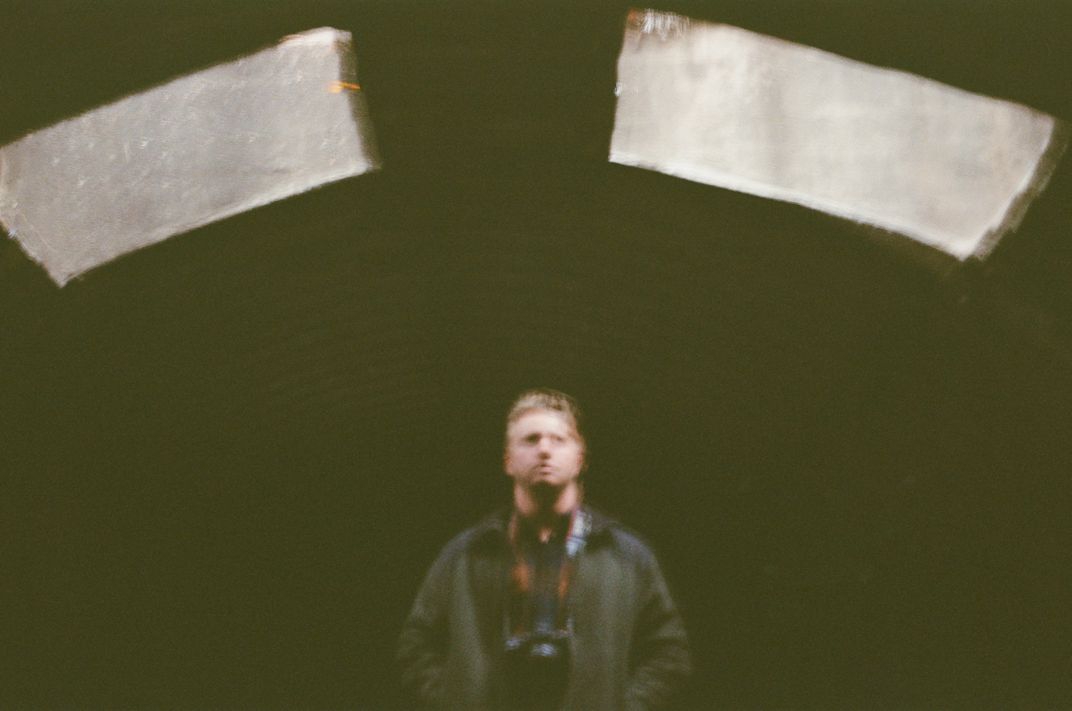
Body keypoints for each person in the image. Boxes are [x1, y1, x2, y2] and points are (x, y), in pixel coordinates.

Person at [397, 388, 691, 710]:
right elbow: (415, 646)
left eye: (558, 440)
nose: (544, 450)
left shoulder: (626, 556)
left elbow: (670, 653)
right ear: (508, 460)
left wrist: (621, 706)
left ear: (580, 459)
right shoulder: (467, 554)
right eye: (531, 439)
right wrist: (458, 702)